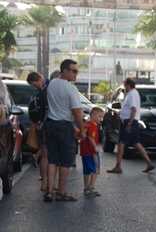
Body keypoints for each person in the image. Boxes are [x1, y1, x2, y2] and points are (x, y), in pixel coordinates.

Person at [43, 59, 85, 202]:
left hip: (50, 124)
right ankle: (61, 192)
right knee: (66, 161)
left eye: (76, 71)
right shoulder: (70, 88)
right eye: (73, 71)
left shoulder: (52, 83)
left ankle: (49, 192)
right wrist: (82, 129)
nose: (75, 74)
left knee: (52, 159)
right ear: (65, 70)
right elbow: (77, 113)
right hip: (64, 126)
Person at [107, 78, 154, 174]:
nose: (124, 87)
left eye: (125, 85)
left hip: (129, 121)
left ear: (129, 85)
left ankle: (118, 166)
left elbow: (133, 109)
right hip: (131, 121)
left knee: (121, 143)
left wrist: (129, 123)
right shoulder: (132, 94)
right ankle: (149, 163)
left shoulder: (132, 94)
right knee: (136, 142)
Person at [26, 72, 49, 192]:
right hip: (43, 126)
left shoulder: (45, 90)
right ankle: (45, 181)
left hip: (42, 126)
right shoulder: (41, 92)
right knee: (46, 155)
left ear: (40, 78)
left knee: (45, 154)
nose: (36, 87)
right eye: (34, 86)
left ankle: (45, 181)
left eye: (36, 84)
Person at [80, 107, 104, 197]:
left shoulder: (87, 124)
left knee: (86, 171)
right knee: (95, 170)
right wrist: (95, 147)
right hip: (91, 152)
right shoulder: (93, 126)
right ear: (93, 115)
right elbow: (91, 138)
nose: (101, 119)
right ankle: (91, 188)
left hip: (84, 152)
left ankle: (86, 188)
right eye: (99, 117)